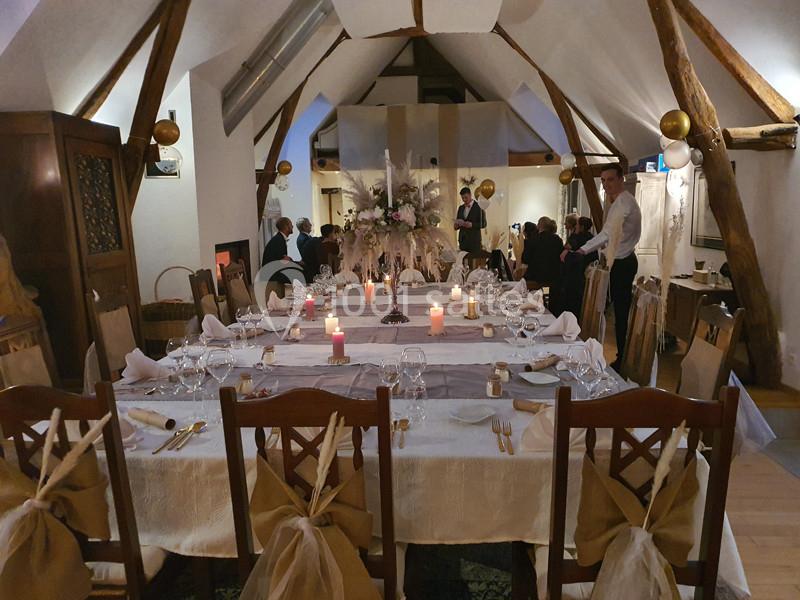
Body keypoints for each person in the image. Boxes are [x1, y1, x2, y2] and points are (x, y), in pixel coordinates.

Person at [577, 163, 642, 370]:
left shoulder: (624, 203)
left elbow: (607, 235)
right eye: (603, 180)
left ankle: (623, 360)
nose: (606, 184)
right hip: (618, 261)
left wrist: (582, 250)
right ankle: (614, 356)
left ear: (621, 179)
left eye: (610, 179)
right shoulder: (618, 202)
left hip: (623, 263)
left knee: (621, 313)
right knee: (613, 312)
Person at [525, 217, 564, 314]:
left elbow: (525, 259)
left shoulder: (533, 239)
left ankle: (530, 307)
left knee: (521, 283)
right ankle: (551, 312)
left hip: (535, 276)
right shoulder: (557, 239)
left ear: (539, 225)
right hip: (553, 276)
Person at [562, 216, 597, 317]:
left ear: (581, 227)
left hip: (578, 274)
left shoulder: (578, 237)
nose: (575, 226)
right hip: (589, 272)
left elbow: (568, 247)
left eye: (577, 225)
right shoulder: (591, 237)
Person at [261, 217, 294, 295]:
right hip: (273, 277)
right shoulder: (278, 240)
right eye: (290, 224)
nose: (292, 226)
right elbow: (281, 261)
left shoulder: (279, 238)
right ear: (286, 226)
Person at [454, 187, 486, 253]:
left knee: (473, 262)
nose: (464, 200)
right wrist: (456, 226)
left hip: (474, 241)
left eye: (466, 197)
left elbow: (484, 223)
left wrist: (472, 225)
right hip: (462, 241)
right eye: (462, 198)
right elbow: (458, 221)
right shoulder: (461, 208)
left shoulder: (479, 207)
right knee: (462, 262)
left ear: (470, 195)